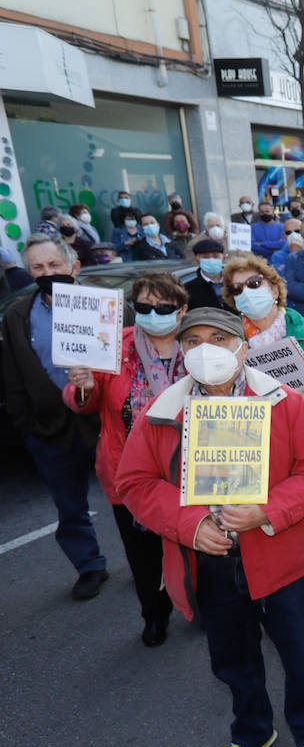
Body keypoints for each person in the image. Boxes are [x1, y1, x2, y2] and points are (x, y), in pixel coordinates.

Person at [115, 307, 304, 747]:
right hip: (210, 563)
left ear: (242, 346)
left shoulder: (283, 403)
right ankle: (253, 731)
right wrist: (191, 524)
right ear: (181, 349)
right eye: (193, 341)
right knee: (232, 659)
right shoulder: (162, 413)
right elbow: (134, 483)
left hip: (281, 558)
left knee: (299, 654)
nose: (206, 349)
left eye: (218, 338)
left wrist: (267, 511)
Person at [223, 255, 304, 636]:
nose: (247, 293)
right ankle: (279, 595)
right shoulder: (229, 341)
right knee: (266, 525)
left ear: (273, 287)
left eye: (253, 283)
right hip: (254, 451)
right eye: (236, 289)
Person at [61, 271, 185, 645]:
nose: (152, 315)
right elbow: (83, 401)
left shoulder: (198, 343)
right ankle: (155, 615)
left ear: (181, 310)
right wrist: (82, 387)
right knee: (143, 554)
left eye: (162, 307)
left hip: (190, 469)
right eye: (144, 307)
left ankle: (200, 606)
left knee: (195, 546)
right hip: (130, 473)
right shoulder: (113, 345)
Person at [0, 235, 110, 599]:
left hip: (105, 423)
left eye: (54, 265)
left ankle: (151, 565)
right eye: (38, 267)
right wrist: (27, 428)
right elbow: (13, 376)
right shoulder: (17, 316)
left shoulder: (104, 307)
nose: (47, 273)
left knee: (130, 500)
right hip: (50, 430)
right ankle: (89, 565)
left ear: (73, 266)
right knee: (69, 505)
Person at [183, 239, 226, 309]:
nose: (211, 260)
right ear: (196, 260)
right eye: (206, 257)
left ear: (223, 259)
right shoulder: (187, 289)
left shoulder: (235, 283)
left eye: (215, 256)